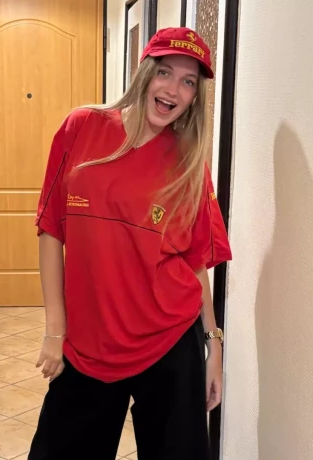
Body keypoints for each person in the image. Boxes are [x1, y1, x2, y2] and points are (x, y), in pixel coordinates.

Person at [28, 27, 232, 460]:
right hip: (88, 344)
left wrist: (213, 345)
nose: (173, 89)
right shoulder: (82, 127)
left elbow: (195, 263)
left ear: (195, 96)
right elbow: (51, 229)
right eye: (165, 72)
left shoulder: (189, 162)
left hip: (169, 339)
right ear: (144, 73)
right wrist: (55, 330)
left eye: (188, 81)